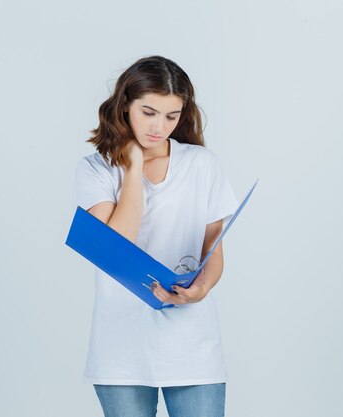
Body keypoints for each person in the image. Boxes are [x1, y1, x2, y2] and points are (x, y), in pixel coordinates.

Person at [72, 55, 238, 417]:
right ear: (125, 106)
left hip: (192, 344)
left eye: (171, 116)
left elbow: (213, 245)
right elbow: (115, 247)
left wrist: (203, 288)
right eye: (148, 112)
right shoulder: (95, 169)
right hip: (121, 347)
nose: (158, 127)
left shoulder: (201, 164)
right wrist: (132, 168)